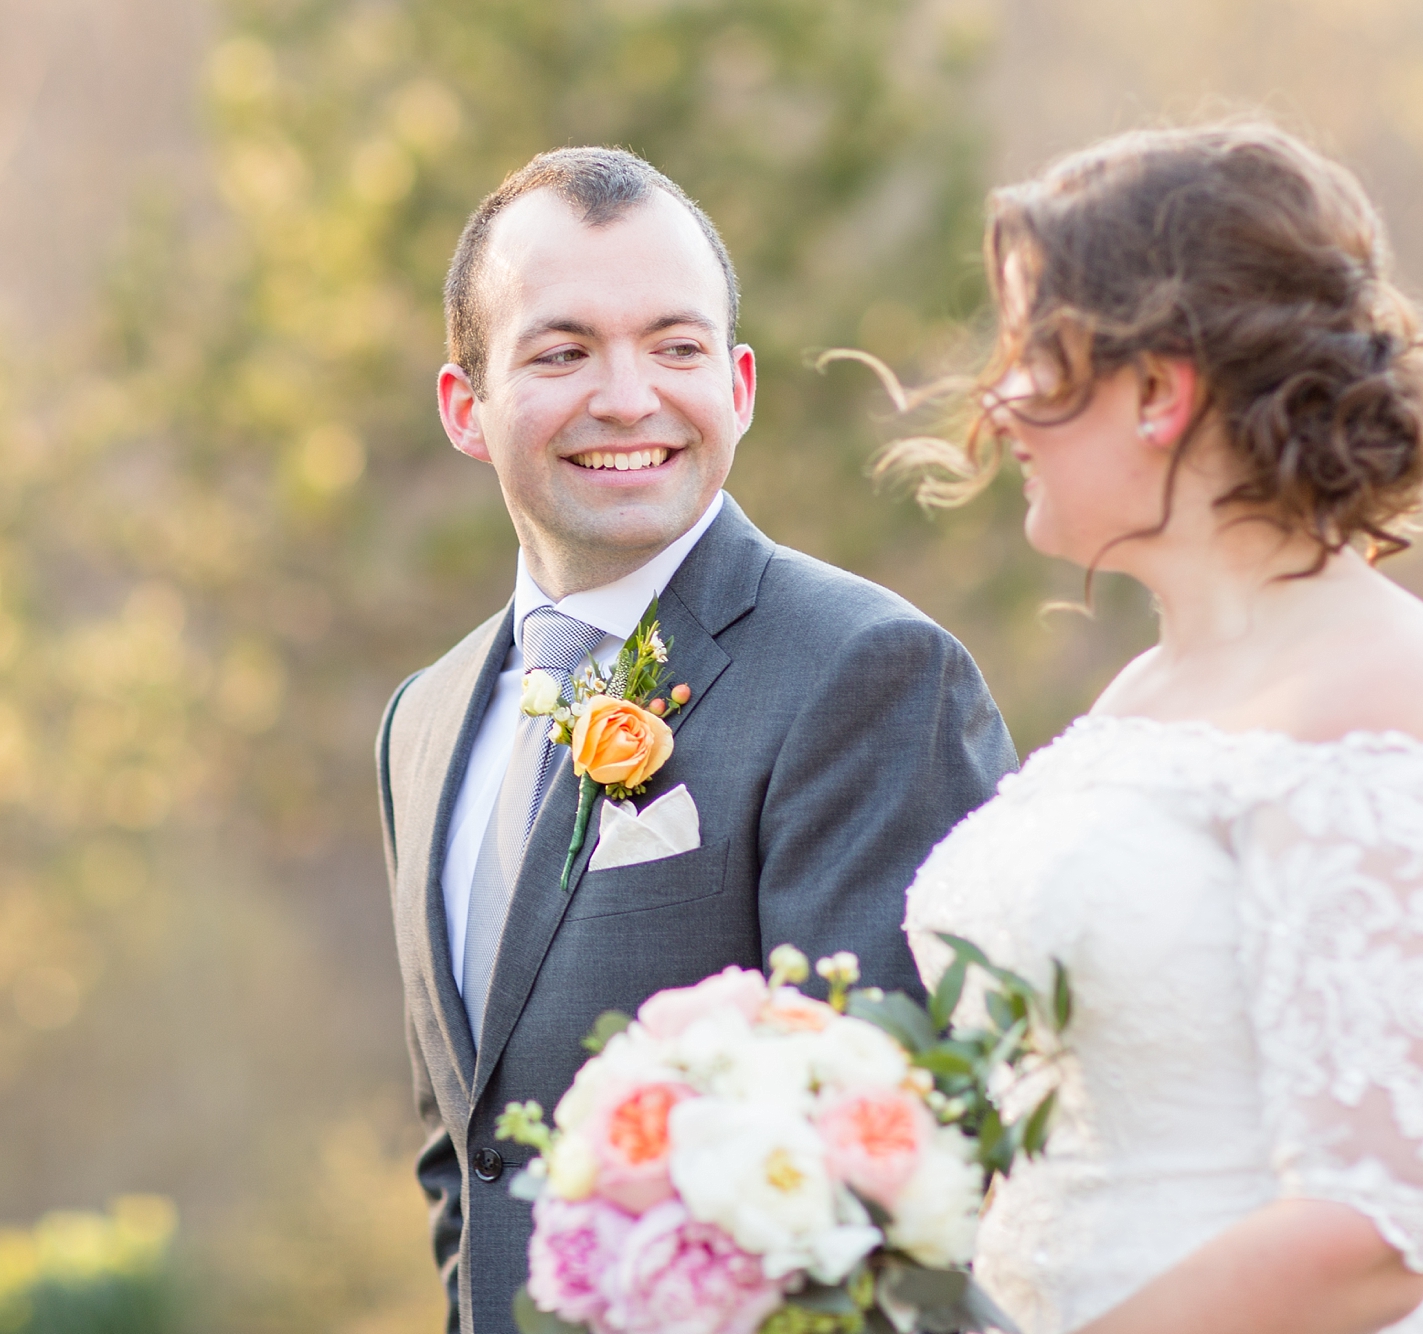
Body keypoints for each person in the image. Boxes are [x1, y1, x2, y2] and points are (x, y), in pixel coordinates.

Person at [902, 121, 1423, 1334]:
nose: (996, 404)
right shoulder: (1142, 698)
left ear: (1158, 389)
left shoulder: (1401, 704)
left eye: (1032, 355)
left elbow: (1373, 1234)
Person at [375, 147, 1017, 1334]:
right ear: (465, 407)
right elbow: (460, 1155)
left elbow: (893, 1180)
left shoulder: (866, 674)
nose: (628, 397)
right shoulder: (421, 721)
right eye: (563, 352)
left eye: (674, 347)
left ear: (740, 382)